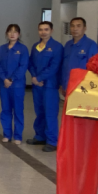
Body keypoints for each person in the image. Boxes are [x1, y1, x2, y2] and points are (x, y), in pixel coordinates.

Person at [27, 21, 63, 152]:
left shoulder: (57, 47)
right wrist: (34, 77)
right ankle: (40, 136)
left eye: (46, 29)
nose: (43, 32)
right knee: (39, 111)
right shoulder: (35, 46)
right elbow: (30, 63)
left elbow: (54, 66)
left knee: (50, 113)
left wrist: (39, 78)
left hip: (50, 85)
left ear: (51, 31)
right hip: (37, 86)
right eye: (41, 29)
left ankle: (52, 141)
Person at [0, 24, 29, 144]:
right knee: (5, 109)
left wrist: (11, 79)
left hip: (17, 85)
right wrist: (4, 79)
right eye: (10, 31)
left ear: (19, 34)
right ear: (6, 34)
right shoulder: (2, 48)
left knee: (18, 110)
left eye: (15, 32)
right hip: (4, 84)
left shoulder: (23, 49)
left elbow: (23, 66)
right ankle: (7, 134)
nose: (12, 34)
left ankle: (18, 136)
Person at [61, 17, 98, 93]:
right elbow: (64, 67)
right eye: (72, 26)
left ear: (84, 28)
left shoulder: (91, 45)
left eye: (78, 26)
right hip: (67, 85)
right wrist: (62, 85)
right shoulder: (68, 45)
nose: (75, 29)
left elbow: (94, 69)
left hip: (82, 88)